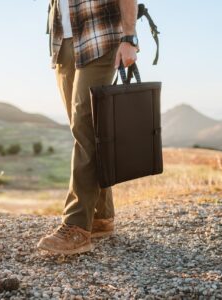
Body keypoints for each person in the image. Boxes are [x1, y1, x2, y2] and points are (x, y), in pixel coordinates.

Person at [37, 0, 139, 255]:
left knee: (84, 128)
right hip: (63, 43)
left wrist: (129, 37)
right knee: (87, 130)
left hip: (100, 38)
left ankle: (77, 226)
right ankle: (101, 216)